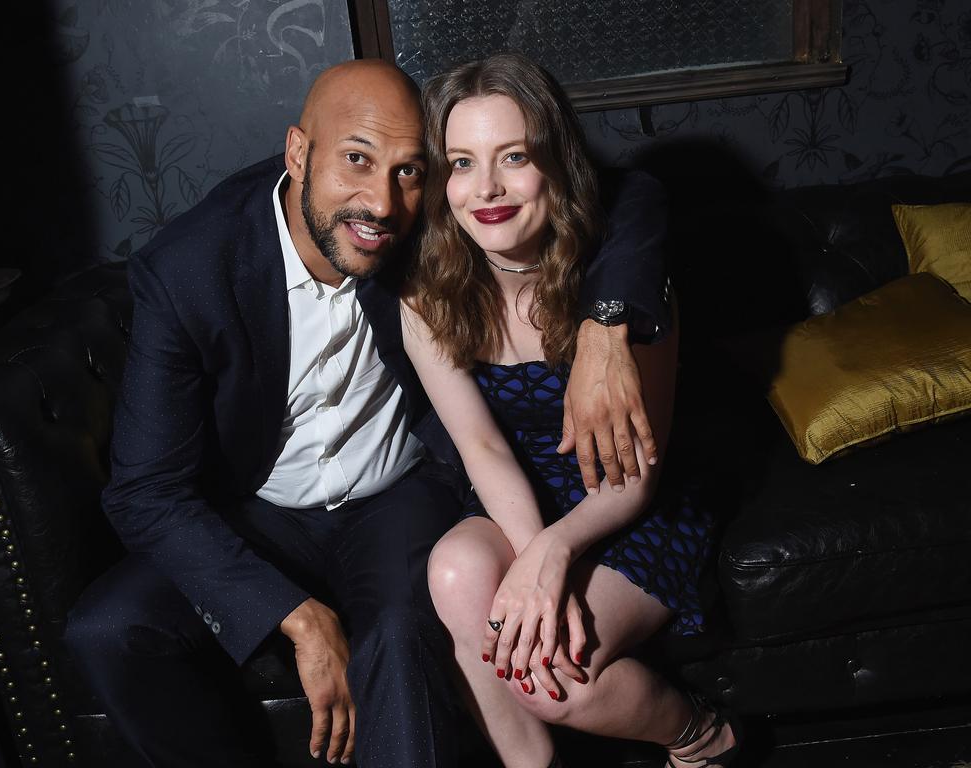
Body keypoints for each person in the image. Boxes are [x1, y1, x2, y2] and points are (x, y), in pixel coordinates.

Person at [63, 59, 673, 768]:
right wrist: (296, 617)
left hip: (396, 497)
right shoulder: (191, 270)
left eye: (409, 171)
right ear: (298, 153)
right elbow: (143, 491)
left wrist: (606, 321)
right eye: (356, 159)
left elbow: (634, 191)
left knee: (399, 632)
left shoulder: (426, 215)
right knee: (108, 628)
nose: (380, 203)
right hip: (255, 511)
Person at [402, 53, 736, 768]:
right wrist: (533, 558)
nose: (485, 188)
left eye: (513, 156)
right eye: (461, 162)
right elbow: (483, 451)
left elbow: (636, 474)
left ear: (555, 162)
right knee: (455, 570)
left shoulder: (624, 284)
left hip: (632, 504)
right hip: (523, 499)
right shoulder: (427, 295)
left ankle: (701, 736)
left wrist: (552, 556)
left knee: (551, 680)